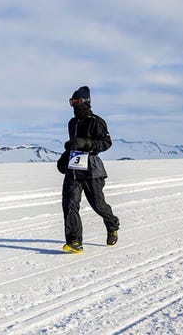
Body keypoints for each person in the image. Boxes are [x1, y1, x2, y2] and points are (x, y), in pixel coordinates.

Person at [56, 86, 120, 253]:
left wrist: (88, 144)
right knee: (69, 204)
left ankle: (112, 225)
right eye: (72, 102)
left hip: (92, 169)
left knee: (98, 205)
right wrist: (64, 157)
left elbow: (107, 143)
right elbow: (74, 145)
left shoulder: (96, 121)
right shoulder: (72, 123)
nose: (74, 105)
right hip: (74, 169)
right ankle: (74, 242)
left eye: (76, 101)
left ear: (85, 102)